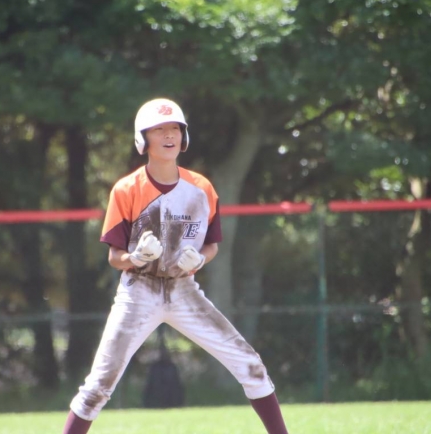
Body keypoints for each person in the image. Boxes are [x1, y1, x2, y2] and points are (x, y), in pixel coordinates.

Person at [62, 98, 289, 434]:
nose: (169, 135)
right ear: (142, 139)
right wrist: (135, 258)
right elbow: (114, 257)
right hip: (138, 292)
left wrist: (201, 258)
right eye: (159, 129)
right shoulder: (126, 189)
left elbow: (211, 245)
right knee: (98, 385)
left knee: (251, 366)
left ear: (184, 136)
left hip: (184, 290)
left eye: (174, 128)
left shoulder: (201, 188)